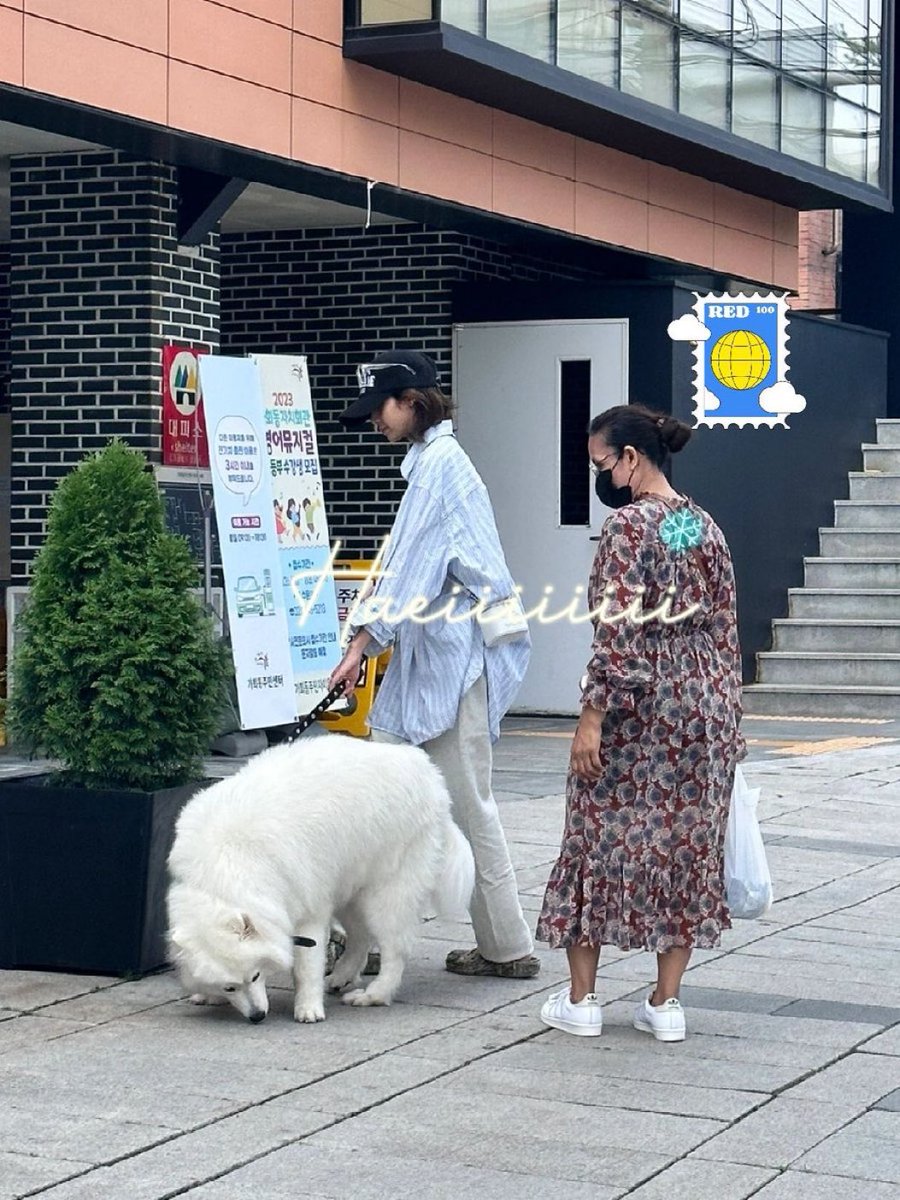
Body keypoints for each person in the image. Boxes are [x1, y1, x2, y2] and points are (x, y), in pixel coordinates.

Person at [329, 349, 539, 980]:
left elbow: (408, 568)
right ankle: (499, 946)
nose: (374, 423)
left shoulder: (440, 469)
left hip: (453, 664)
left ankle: (493, 947)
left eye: (380, 410)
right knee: (435, 803)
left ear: (412, 403)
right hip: (447, 660)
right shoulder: (436, 465)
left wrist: (359, 644)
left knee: (432, 803)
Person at [536, 404, 744, 1040]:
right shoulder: (698, 525)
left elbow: (618, 630)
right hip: (704, 706)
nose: (601, 476)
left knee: (594, 836)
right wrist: (729, 717)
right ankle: (665, 1004)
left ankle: (583, 1000)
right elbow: (725, 625)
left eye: (603, 462)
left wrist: (591, 718)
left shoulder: (627, 529)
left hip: (641, 707)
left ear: (631, 457)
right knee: (684, 846)